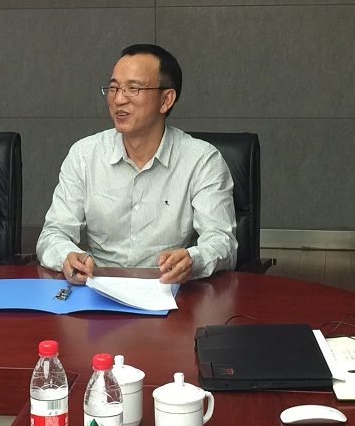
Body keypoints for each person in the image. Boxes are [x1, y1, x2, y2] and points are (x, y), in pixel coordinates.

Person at [38, 43, 237, 285]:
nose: (119, 99)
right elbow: (53, 233)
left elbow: (222, 242)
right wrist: (67, 256)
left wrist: (193, 260)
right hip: (98, 287)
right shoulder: (84, 155)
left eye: (133, 89)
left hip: (167, 288)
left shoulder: (201, 160)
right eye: (113, 88)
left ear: (166, 100)